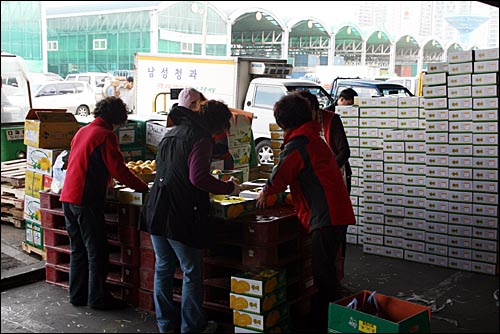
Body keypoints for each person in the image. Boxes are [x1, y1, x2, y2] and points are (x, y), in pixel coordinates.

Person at [138, 99, 241, 333]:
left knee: (163, 267)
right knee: (192, 272)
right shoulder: (201, 138)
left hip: (156, 208)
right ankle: (192, 327)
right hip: (180, 213)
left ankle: (166, 325)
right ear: (217, 123)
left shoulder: (171, 132)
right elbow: (198, 178)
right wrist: (229, 188)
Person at [256, 92, 356, 329]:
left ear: (283, 122)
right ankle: (326, 315)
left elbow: (279, 177)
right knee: (325, 269)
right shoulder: (312, 138)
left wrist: (265, 192)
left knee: (324, 274)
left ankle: (336, 320)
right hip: (333, 211)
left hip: (327, 215)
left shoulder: (298, 144)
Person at [60, 96, 149, 310]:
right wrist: (144, 188)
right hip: (86, 200)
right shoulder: (105, 135)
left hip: (68, 197)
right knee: (96, 251)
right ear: (117, 118)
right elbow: (118, 169)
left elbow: (84, 162)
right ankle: (98, 299)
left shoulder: (83, 131)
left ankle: (77, 295)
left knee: (78, 249)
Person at [172, 87, 234, 170]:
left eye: (191, 107)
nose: (189, 112)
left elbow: (222, 148)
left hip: (220, 164)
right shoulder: (183, 124)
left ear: (199, 103)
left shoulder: (212, 120)